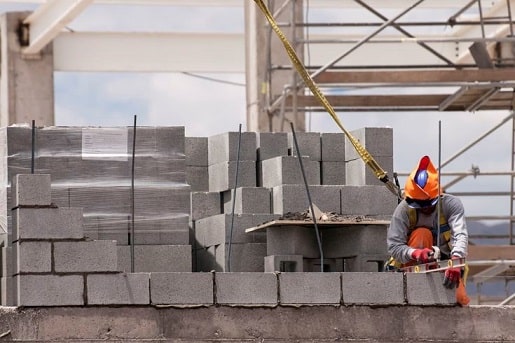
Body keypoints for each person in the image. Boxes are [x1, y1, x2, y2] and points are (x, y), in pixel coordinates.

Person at [386, 155, 470, 306]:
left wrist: (456, 262)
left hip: (444, 263)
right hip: (411, 266)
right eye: (419, 204)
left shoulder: (451, 205)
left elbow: (460, 236)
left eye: (428, 204)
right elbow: (394, 246)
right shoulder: (404, 210)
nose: (424, 208)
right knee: (422, 233)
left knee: (460, 301)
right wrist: (416, 253)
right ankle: (414, 291)